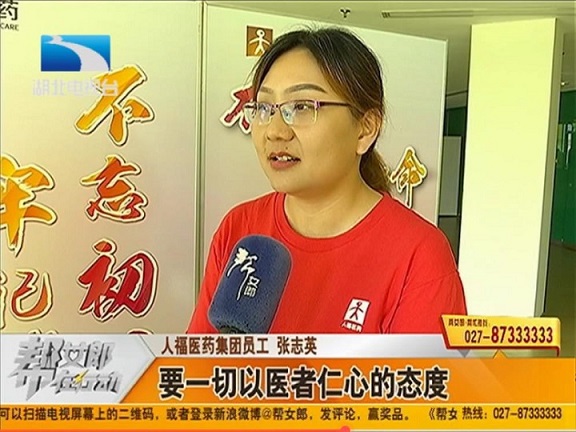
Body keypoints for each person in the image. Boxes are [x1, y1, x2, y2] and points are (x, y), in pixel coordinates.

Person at [187, 26, 467, 334]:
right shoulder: (239, 228)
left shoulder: (419, 255)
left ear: (365, 129)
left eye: (302, 107)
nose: (275, 131)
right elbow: (197, 357)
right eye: (264, 108)